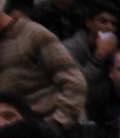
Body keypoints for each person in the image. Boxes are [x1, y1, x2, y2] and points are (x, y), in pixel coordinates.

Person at [0, 1, 87, 130]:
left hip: (51, 130)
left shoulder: (33, 35)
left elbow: (75, 84)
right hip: (14, 133)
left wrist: (56, 123)